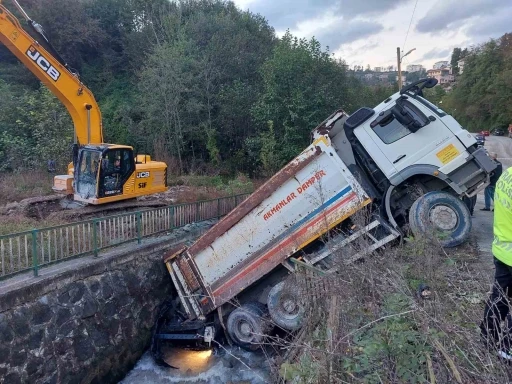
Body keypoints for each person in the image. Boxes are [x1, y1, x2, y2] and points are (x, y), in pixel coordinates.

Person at [480, 166, 512, 359]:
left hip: (502, 250)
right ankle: (507, 350)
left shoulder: (508, 174)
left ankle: (487, 336)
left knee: (499, 298)